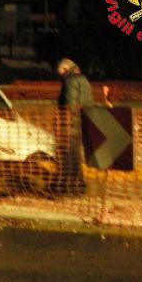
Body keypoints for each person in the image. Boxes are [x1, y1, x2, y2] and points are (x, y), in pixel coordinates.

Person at [54, 58, 91, 196]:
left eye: (60, 74)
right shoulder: (83, 79)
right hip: (82, 121)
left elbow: (69, 105)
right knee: (76, 156)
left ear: (64, 69)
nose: (60, 77)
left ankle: (69, 188)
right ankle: (80, 186)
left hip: (70, 124)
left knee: (68, 157)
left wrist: (62, 122)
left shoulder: (70, 81)